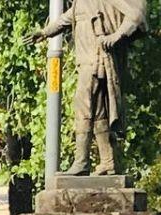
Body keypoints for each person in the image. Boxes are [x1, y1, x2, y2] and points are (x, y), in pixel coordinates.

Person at [26, 0, 147, 176]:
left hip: (97, 61)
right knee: (99, 112)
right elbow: (67, 19)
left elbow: (137, 14)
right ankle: (108, 161)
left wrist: (116, 36)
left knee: (83, 108)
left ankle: (81, 161)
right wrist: (45, 33)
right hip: (86, 62)